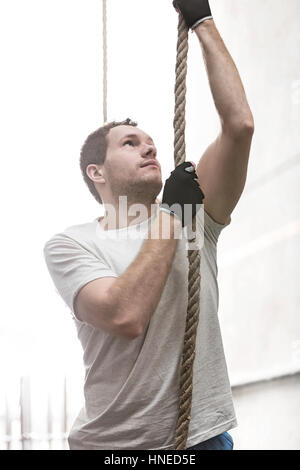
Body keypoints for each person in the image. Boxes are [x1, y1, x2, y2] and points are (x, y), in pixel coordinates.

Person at [43, 0, 254, 451]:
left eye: (152, 144)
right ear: (96, 172)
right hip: (113, 447)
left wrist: (202, 22)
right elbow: (124, 315)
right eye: (130, 143)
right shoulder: (71, 244)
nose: (149, 149)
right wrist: (171, 218)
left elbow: (239, 126)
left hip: (202, 438)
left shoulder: (197, 217)